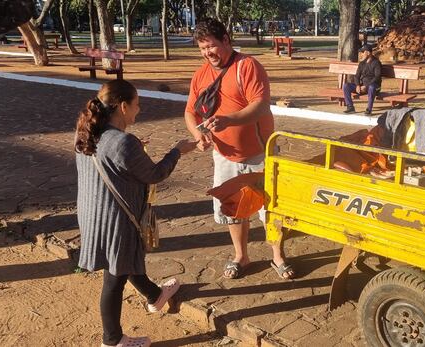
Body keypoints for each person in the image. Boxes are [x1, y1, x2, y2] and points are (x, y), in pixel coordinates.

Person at [75, 80, 197, 347]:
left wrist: (134, 148)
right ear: (122, 106)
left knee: (121, 262)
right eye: (137, 104)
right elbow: (155, 174)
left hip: (93, 215)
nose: (138, 110)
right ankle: (113, 340)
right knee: (114, 277)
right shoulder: (124, 142)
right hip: (117, 219)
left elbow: (111, 161)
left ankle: (155, 297)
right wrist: (177, 151)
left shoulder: (87, 132)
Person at [184, 19, 295, 280]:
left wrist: (228, 119)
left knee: (270, 208)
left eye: (211, 46)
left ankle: (277, 255)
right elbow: (190, 111)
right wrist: (197, 133)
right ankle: (240, 256)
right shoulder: (200, 75)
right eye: (202, 49)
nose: (207, 53)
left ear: (226, 39)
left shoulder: (247, 66)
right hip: (225, 155)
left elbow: (261, 105)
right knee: (233, 208)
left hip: (260, 154)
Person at [343, 44, 382, 115]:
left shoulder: (376, 63)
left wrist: (366, 86)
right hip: (362, 86)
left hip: (374, 87)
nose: (361, 55)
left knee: (371, 87)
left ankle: (369, 109)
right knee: (346, 86)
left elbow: (377, 77)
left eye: (362, 52)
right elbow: (357, 76)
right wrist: (358, 85)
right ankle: (350, 107)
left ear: (368, 53)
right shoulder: (362, 63)